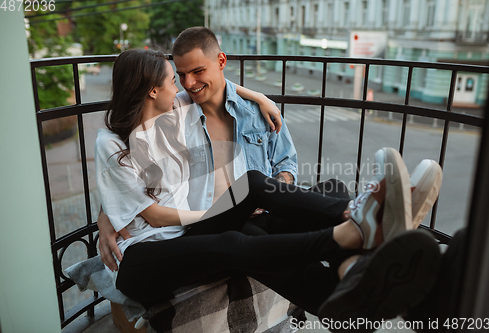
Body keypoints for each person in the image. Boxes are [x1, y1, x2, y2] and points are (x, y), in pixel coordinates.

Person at [95, 48, 442, 332]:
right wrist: (106, 218)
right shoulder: (111, 143)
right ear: (152, 91)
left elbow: (216, 87)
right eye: (174, 79)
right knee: (234, 241)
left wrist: (258, 96)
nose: (182, 86)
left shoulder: (173, 109)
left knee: (254, 183)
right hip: (139, 260)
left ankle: (360, 229)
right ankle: (354, 231)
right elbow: (152, 216)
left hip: (185, 232)